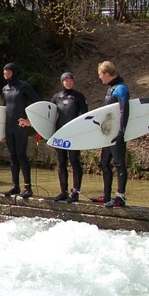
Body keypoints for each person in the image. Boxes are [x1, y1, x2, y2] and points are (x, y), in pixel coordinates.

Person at [1, 62, 40, 198]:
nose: (5, 73)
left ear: (13, 72)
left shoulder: (23, 86)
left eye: (8, 71)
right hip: (9, 127)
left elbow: (37, 102)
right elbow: (3, 110)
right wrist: (0, 132)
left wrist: (30, 121)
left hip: (20, 127)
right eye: (4, 71)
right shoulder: (5, 89)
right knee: (12, 156)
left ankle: (28, 187)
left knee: (21, 155)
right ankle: (15, 186)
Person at [95, 61, 129, 208]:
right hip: (109, 134)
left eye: (100, 74)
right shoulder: (111, 88)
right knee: (104, 163)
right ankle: (107, 195)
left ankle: (120, 197)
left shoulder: (121, 88)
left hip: (117, 133)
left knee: (119, 164)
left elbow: (124, 111)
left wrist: (121, 132)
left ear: (107, 73)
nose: (99, 77)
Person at [51, 72, 88, 203]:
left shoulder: (78, 96)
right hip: (60, 134)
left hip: (74, 134)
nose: (68, 83)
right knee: (61, 162)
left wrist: (84, 132)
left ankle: (75, 193)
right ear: (62, 82)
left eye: (71, 80)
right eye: (66, 80)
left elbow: (86, 115)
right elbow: (49, 116)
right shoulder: (56, 97)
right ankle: (63, 192)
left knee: (74, 161)